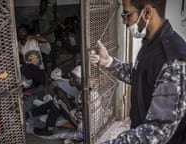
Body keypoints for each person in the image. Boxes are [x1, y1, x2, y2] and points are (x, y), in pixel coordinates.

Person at [90, 0, 186, 143]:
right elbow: (141, 76)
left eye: (127, 14)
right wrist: (109, 62)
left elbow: (157, 131)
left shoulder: (172, 59)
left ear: (147, 12)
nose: (124, 22)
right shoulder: (150, 44)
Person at [25, 65, 82, 136]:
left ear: (82, 79)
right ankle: (31, 113)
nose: (71, 79)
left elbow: (76, 114)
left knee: (57, 99)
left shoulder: (83, 94)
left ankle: (48, 129)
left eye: (75, 78)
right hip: (81, 117)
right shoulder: (81, 89)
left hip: (81, 125)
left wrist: (64, 98)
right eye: (71, 76)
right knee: (59, 98)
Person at [38, 0, 57, 70]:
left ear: (46, 6)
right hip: (42, 41)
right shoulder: (39, 13)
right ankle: (45, 73)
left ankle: (54, 74)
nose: (42, 6)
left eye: (44, 5)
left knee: (52, 59)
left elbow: (54, 27)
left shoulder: (48, 14)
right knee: (43, 58)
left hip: (50, 40)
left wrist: (44, 34)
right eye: (41, 4)